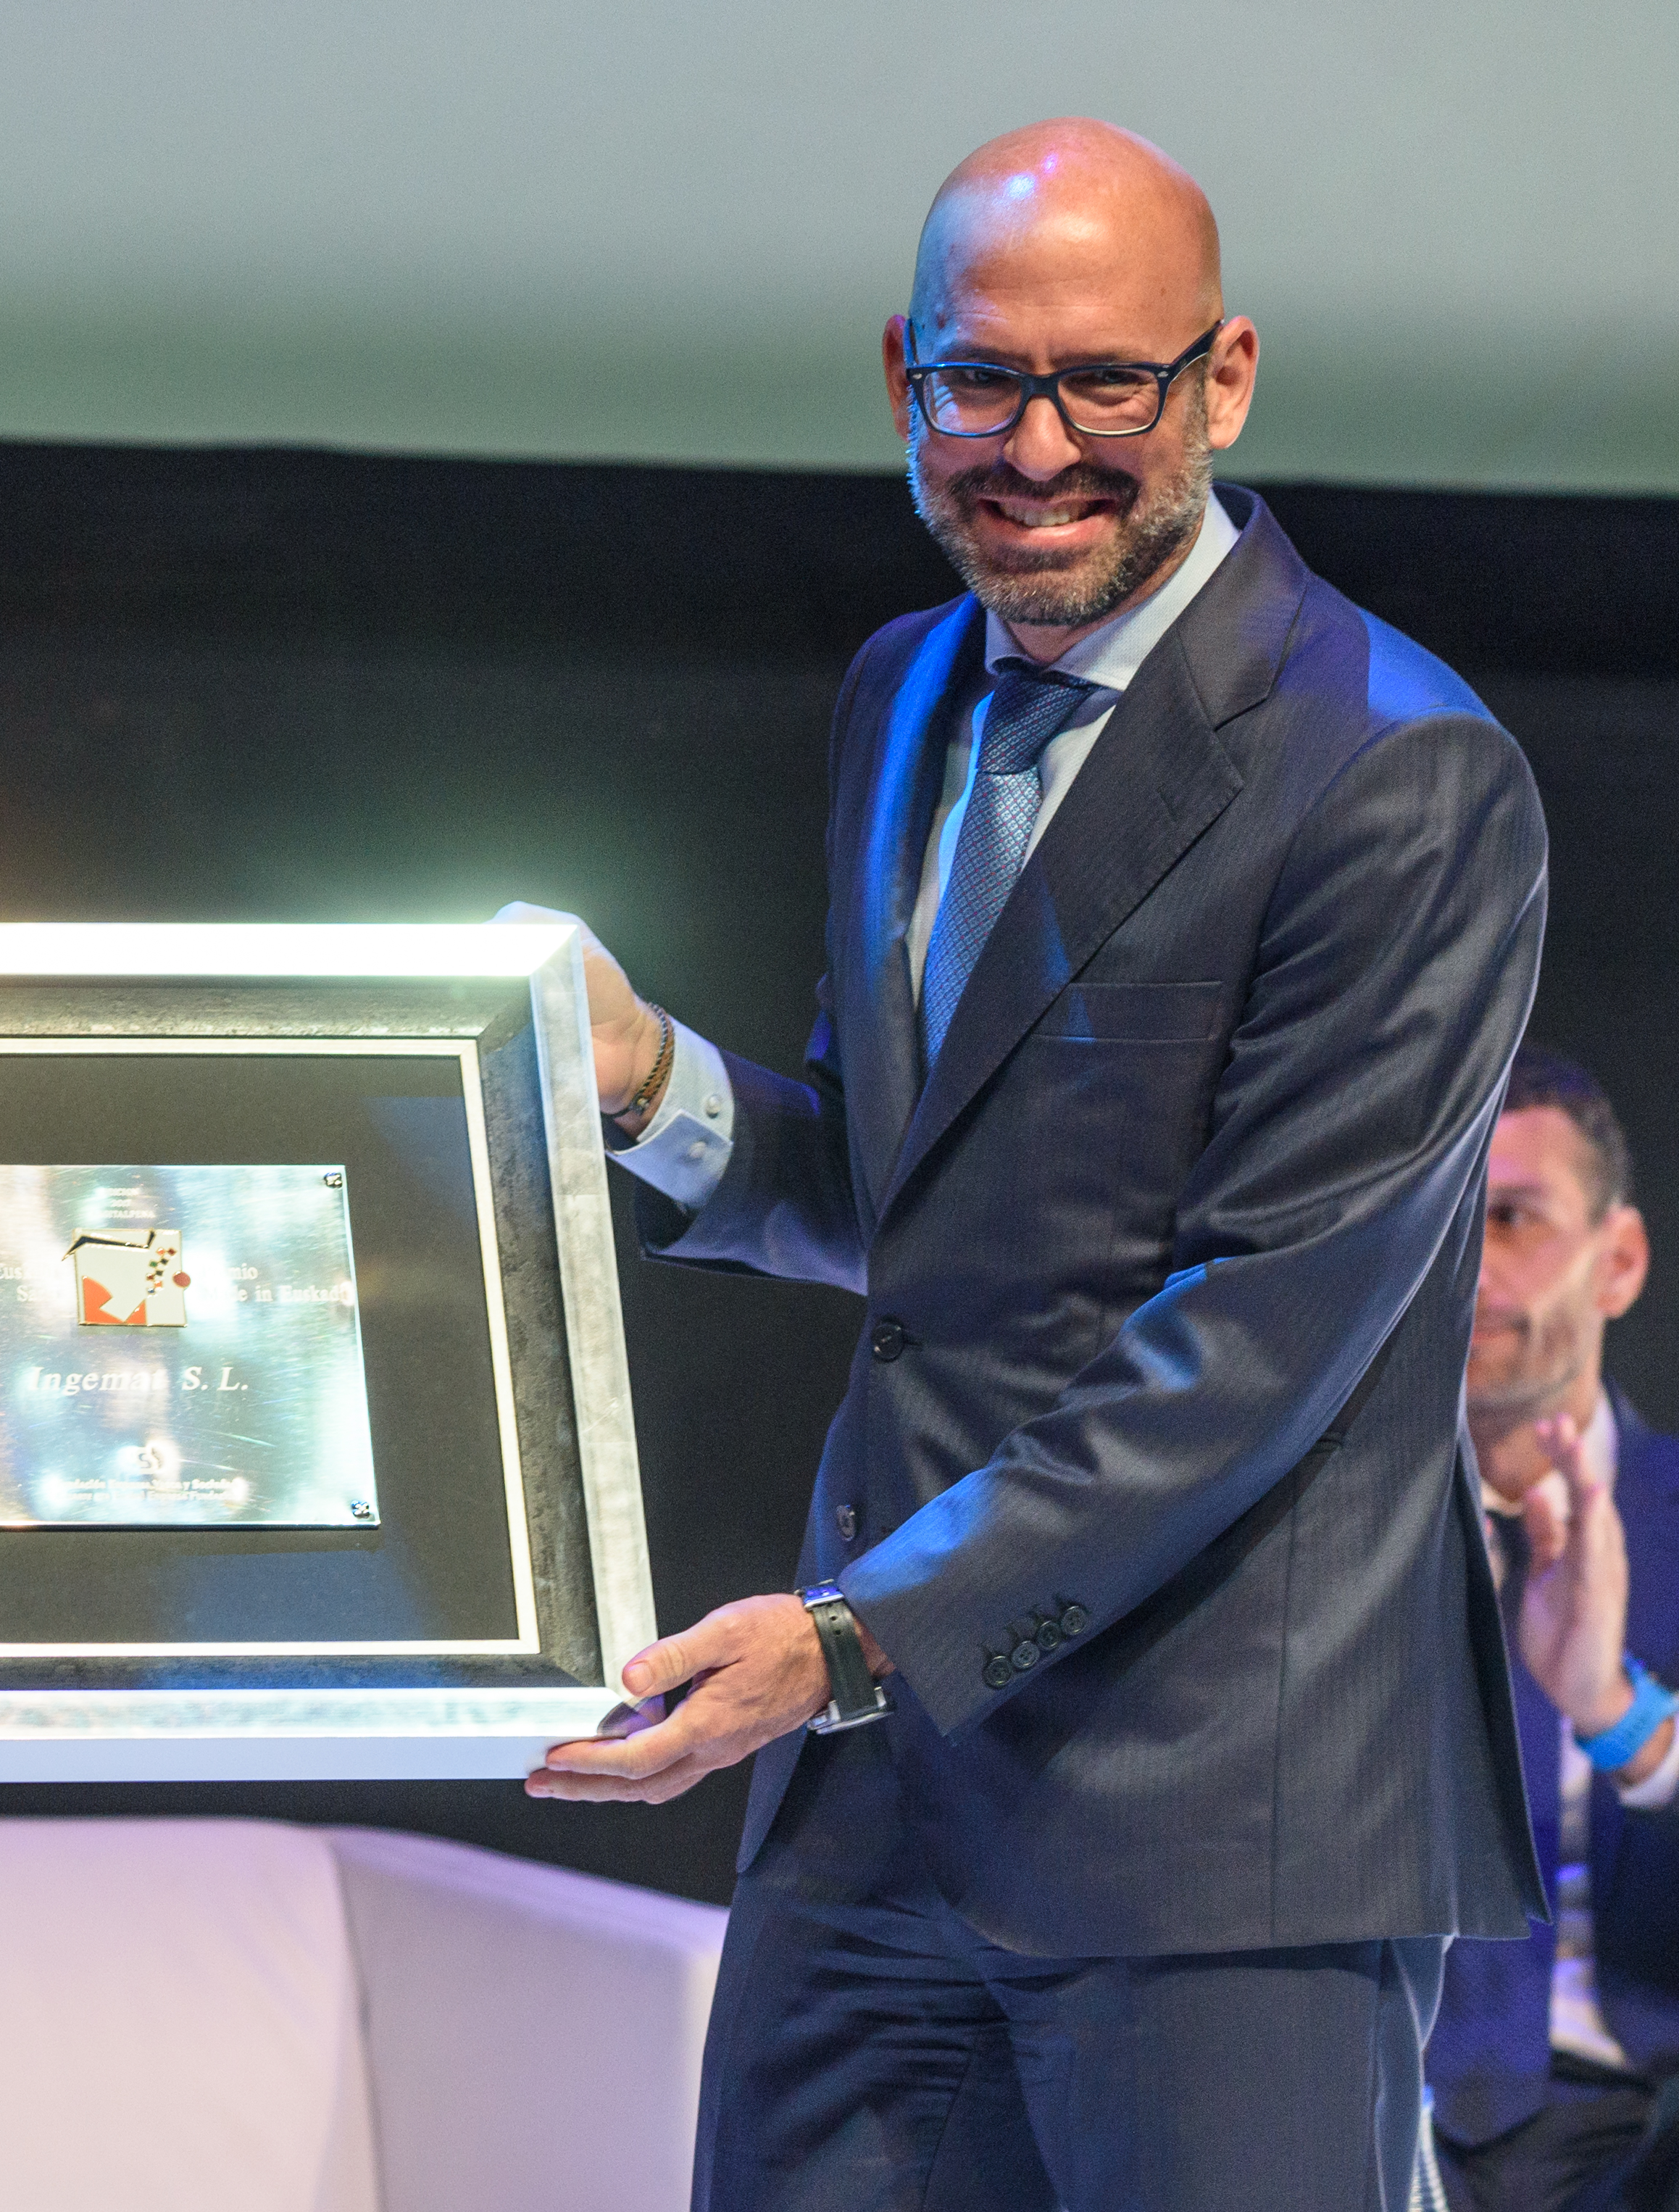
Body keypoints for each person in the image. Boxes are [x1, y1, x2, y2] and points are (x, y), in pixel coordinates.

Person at [513, 119, 1549, 2209]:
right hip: (880, 1804)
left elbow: (1255, 1339)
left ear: (1220, 380)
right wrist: (641, 1082)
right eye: (980, 380)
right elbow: (924, 1211)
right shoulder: (905, 690)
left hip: (1215, 1831)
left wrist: (853, 1632)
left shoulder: (1396, 768)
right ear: (901, 368)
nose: (1036, 445)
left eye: (1106, 383)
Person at [1429, 1048, 1679, 2211]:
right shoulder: (1324, 1545)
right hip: (1354, 2094)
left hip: (1630, 2127)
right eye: (1439, 1222)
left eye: (1515, 1219)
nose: (1468, 1268)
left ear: (1619, 1260)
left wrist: (1615, 1711)